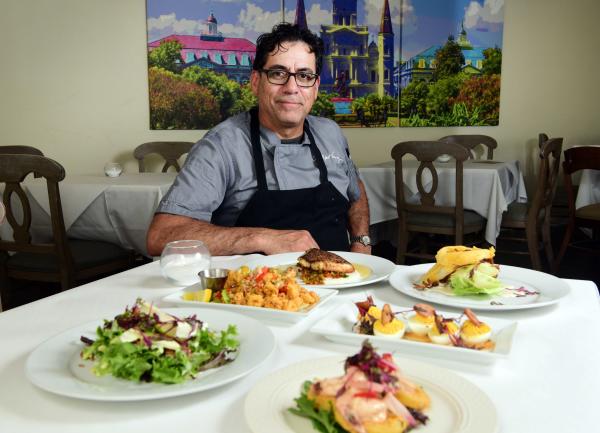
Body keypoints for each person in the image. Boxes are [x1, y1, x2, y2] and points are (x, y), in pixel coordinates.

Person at [146, 23, 371, 257]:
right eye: (278, 74)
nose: (291, 87)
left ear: (315, 88)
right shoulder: (221, 145)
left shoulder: (331, 133)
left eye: (304, 76)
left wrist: (361, 241)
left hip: (342, 283)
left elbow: (356, 192)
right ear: (255, 82)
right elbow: (161, 235)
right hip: (259, 288)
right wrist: (261, 238)